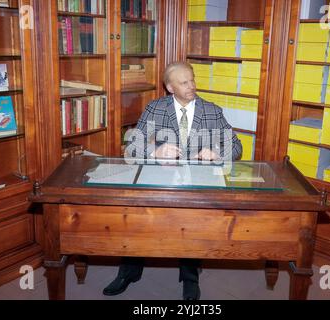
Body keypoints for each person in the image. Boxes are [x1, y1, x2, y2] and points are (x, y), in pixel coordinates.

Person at [103, 61, 242, 300]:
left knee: (190, 226)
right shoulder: (155, 108)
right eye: (184, 82)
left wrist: (218, 154)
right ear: (169, 87)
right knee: (136, 220)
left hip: (196, 185)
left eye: (193, 80)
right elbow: (132, 148)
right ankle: (129, 271)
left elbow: (237, 147)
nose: (192, 86)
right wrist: (154, 152)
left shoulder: (212, 111)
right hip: (157, 181)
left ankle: (190, 279)